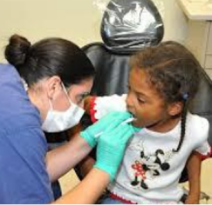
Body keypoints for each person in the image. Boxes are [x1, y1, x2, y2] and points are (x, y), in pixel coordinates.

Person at [0, 34, 139, 204]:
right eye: (80, 97)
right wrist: (104, 169)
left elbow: (27, 170)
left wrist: (87, 140)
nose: (81, 108)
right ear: (53, 86)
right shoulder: (16, 124)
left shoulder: (1, 77)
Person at [80, 41, 211, 204]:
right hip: (120, 196)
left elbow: (194, 152)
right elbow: (80, 103)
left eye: (141, 99)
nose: (128, 100)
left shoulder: (195, 129)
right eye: (129, 89)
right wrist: (84, 160)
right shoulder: (119, 107)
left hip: (166, 201)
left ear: (173, 108)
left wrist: (194, 193)